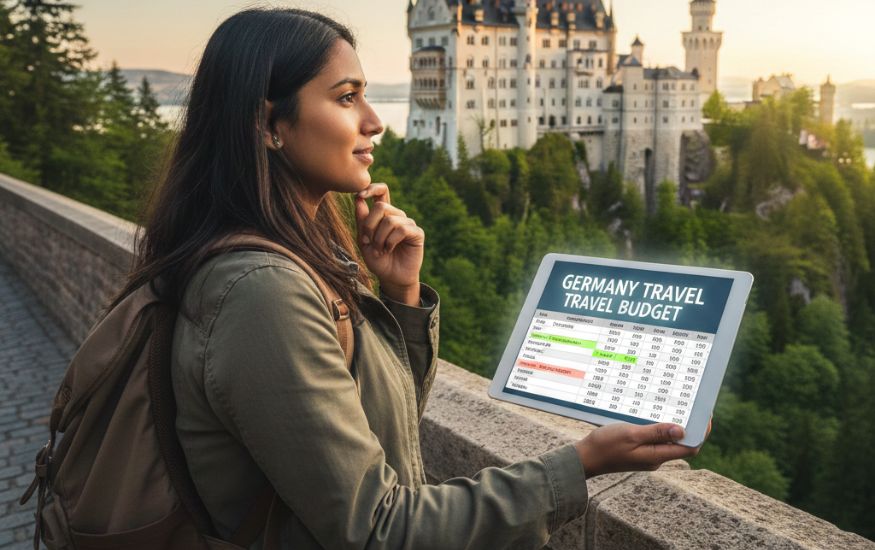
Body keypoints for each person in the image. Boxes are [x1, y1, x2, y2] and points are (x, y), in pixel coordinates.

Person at [112, 8, 702, 549]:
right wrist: (582, 463)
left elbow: (372, 430)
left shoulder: (281, 253)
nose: (376, 122)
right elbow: (379, 529)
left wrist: (401, 298)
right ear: (271, 124)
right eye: (347, 98)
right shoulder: (262, 290)